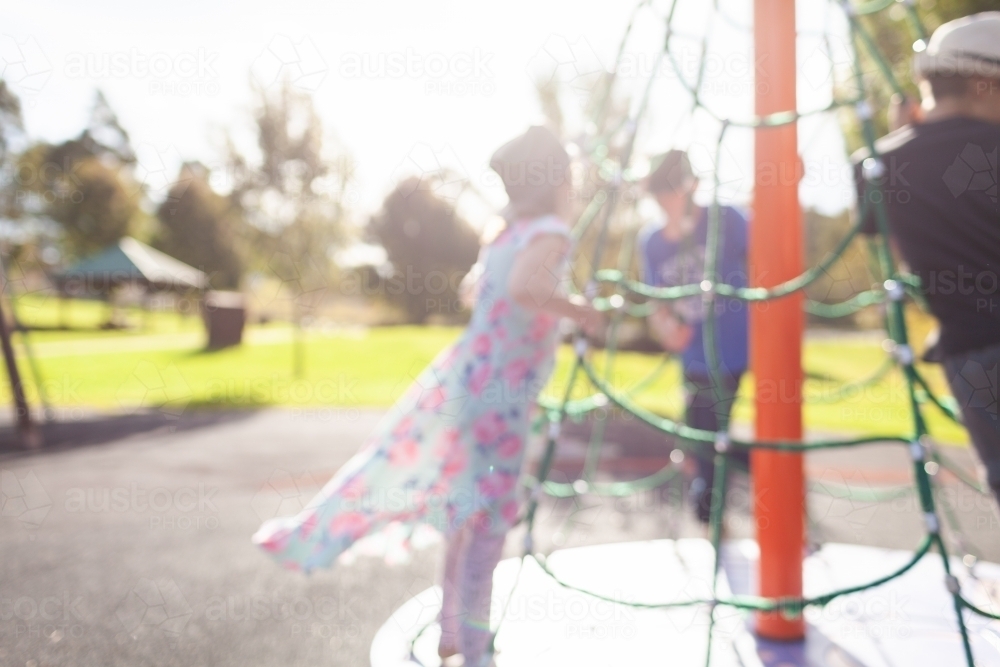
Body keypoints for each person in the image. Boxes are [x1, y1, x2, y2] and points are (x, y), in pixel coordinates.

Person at [252, 125, 602, 667]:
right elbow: (525, 289)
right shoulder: (553, 230)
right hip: (500, 397)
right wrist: (583, 313)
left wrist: (546, 307)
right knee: (489, 519)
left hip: (467, 378)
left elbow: (475, 289)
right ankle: (476, 650)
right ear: (557, 180)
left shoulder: (502, 232)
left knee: (467, 510)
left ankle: (452, 633)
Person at [853, 12, 1000, 510]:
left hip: (971, 350)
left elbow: (901, 256)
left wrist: (900, 140)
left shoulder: (877, 166)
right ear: (985, 85)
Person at [637, 150, 750, 524]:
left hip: (732, 351)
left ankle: (712, 502)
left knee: (712, 432)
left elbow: (764, 256)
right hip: (692, 354)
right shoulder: (653, 241)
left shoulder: (725, 220)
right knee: (697, 433)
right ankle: (709, 502)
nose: (665, 203)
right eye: (659, 195)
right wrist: (667, 329)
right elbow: (656, 304)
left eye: (671, 193)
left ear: (692, 188)